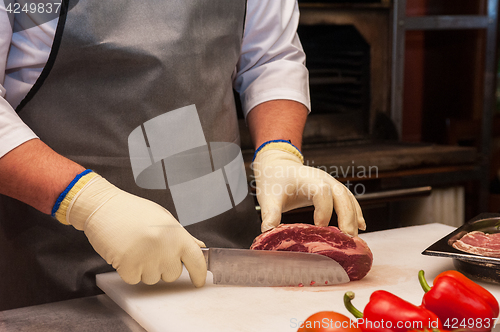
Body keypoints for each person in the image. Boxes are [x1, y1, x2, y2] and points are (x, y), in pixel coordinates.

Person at [0, 0, 366, 310]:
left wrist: (279, 152)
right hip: (56, 265)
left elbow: (271, 60)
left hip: (220, 265)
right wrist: (87, 203)